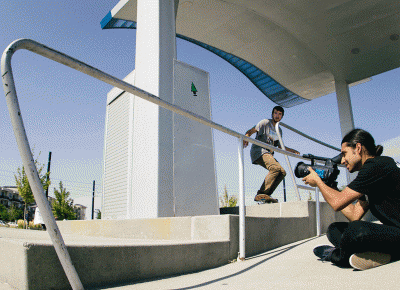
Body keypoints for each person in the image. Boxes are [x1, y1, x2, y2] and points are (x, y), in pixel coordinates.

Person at [303, 128, 400, 270]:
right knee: (335, 229)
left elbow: (337, 203)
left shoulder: (376, 165)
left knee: (356, 230)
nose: (342, 160)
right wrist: (330, 186)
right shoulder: (372, 172)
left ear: (358, 148)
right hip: (395, 232)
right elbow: (354, 215)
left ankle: (337, 255)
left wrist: (318, 182)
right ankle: (379, 255)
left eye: (344, 154)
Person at [244, 106, 299, 203]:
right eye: (275, 113)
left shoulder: (279, 130)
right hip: (259, 151)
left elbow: (280, 146)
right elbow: (250, 131)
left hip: (268, 153)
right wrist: (246, 137)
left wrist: (292, 150)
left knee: (282, 172)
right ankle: (260, 194)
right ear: (272, 114)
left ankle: (266, 195)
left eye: (280, 114)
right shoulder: (265, 123)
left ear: (282, 116)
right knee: (275, 168)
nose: (277, 115)